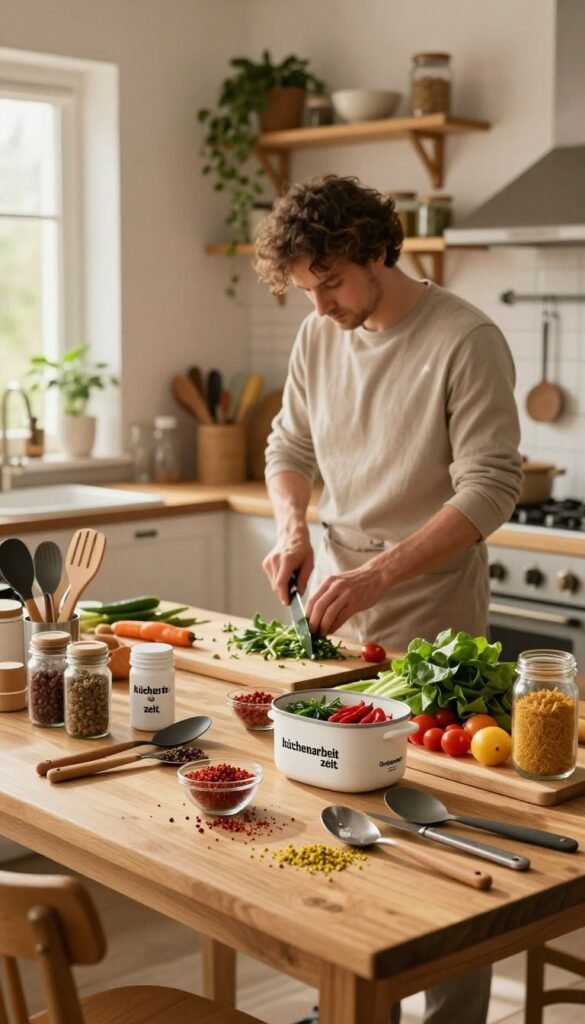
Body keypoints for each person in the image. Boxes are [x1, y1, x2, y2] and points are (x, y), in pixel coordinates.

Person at [253, 175, 522, 1024]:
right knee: (336, 816)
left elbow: (489, 489)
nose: (322, 305)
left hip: (430, 613)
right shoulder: (316, 336)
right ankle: (353, 1009)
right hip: (334, 601)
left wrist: (379, 573)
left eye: (331, 281)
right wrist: (294, 528)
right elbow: (287, 444)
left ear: (376, 249)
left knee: (438, 830)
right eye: (306, 288)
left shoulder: (463, 337)